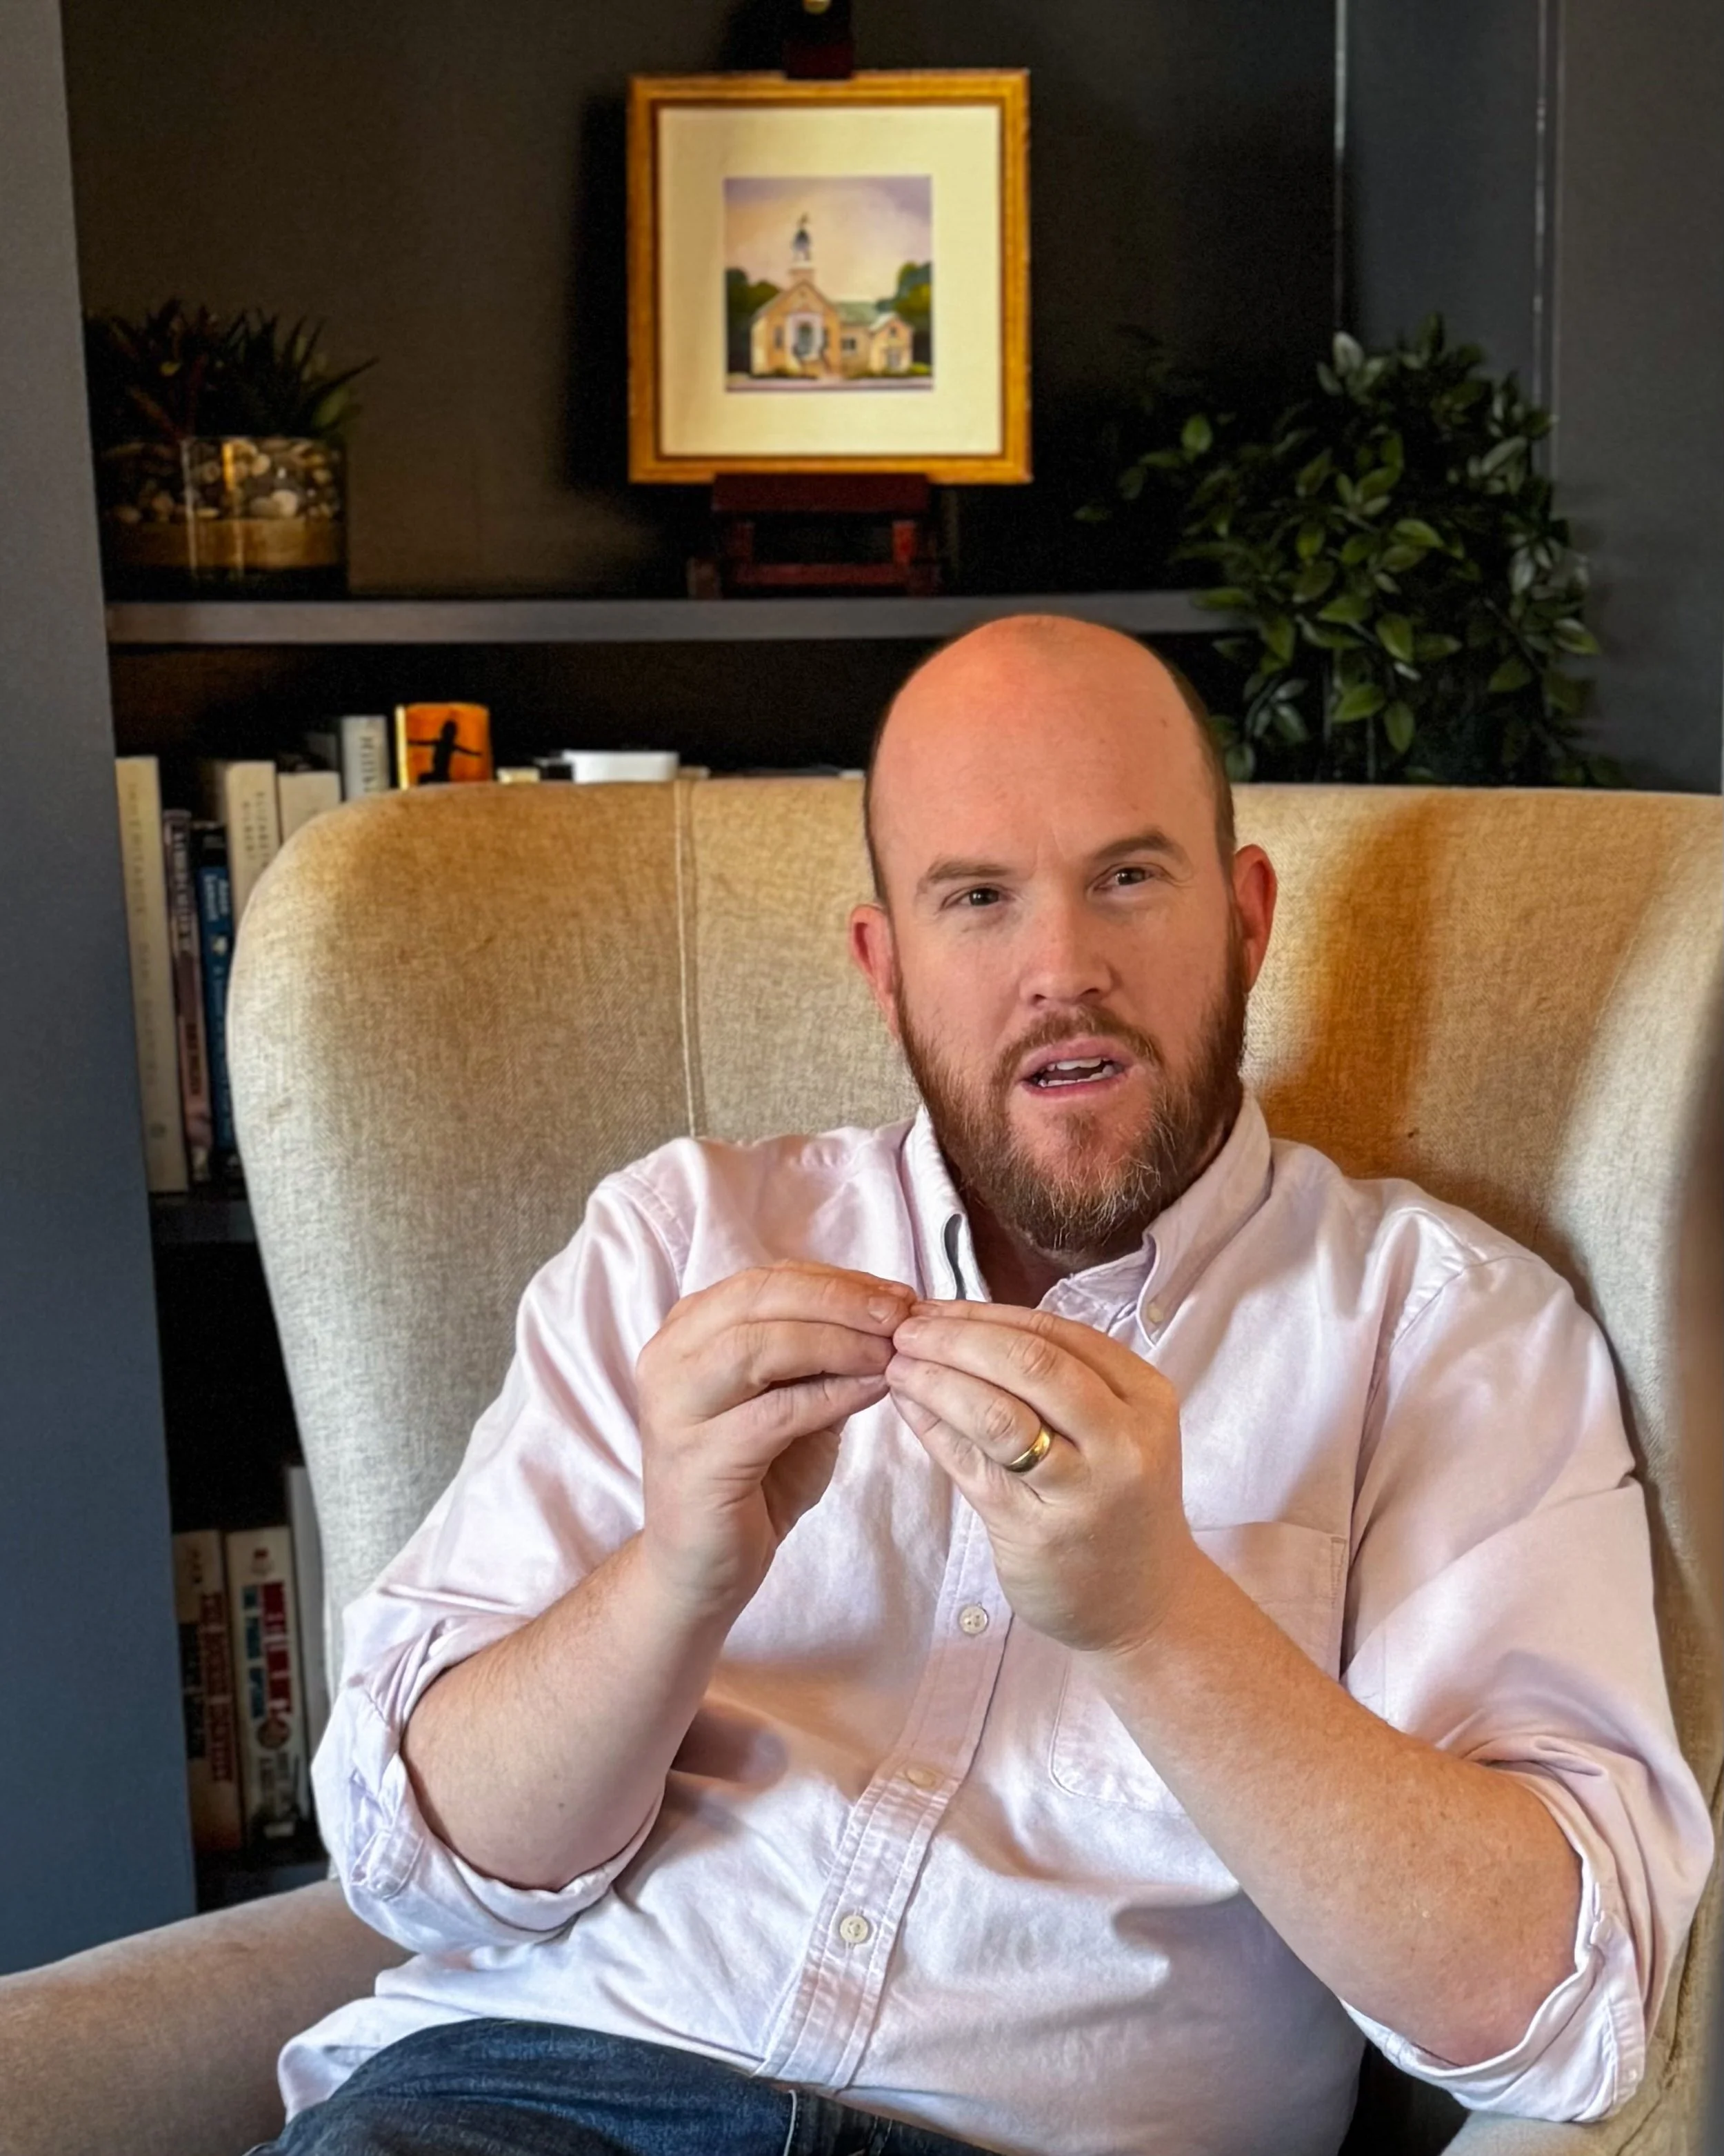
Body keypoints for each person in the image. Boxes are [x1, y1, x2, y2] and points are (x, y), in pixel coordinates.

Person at [262, 617, 1713, 2156]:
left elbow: (1565, 2009)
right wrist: (675, 1573)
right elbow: (417, 1863)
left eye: (1128, 879)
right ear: (882, 970)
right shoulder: (677, 1237)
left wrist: (1158, 1619)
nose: (1061, 971)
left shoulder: (1443, 1327)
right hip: (530, 2099)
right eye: (976, 898)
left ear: (1244, 921)